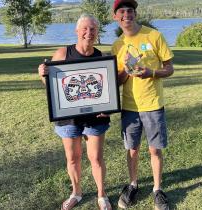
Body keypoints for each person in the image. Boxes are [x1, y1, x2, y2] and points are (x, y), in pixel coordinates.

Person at [38, 14, 112, 210]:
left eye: (93, 29)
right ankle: (76, 192)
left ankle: (102, 195)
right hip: (68, 118)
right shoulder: (62, 53)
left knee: (95, 158)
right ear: (77, 31)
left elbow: (106, 92)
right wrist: (43, 75)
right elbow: (51, 86)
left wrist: (107, 107)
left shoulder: (102, 58)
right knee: (73, 158)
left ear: (97, 33)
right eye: (85, 29)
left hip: (95, 117)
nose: (89, 32)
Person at [111, 0, 174, 210]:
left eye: (130, 10)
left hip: (153, 104)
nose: (126, 14)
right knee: (132, 150)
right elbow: (118, 81)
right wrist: (125, 72)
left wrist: (151, 73)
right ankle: (133, 184)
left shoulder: (153, 35)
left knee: (154, 150)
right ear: (115, 17)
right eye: (122, 11)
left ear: (135, 14)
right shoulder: (117, 45)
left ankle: (157, 189)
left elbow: (169, 68)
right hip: (129, 106)